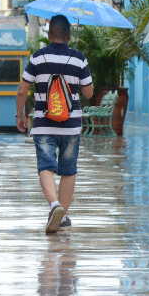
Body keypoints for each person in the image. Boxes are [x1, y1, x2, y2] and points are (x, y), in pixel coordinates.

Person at [17, 15, 94, 234]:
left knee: (46, 166)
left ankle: (54, 205)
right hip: (71, 125)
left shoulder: (38, 58)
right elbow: (89, 92)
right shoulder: (79, 59)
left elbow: (22, 90)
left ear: (49, 34)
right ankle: (63, 215)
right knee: (69, 170)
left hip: (43, 123)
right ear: (69, 35)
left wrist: (20, 115)